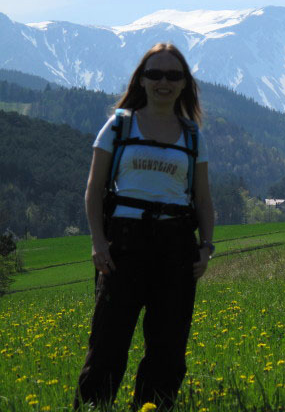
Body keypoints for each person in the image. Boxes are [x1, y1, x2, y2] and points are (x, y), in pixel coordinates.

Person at [74, 43, 215, 410]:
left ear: (185, 83)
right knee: (108, 342)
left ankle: (154, 407)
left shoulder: (192, 135)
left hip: (176, 244)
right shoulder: (120, 124)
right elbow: (93, 188)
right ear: (142, 80)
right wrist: (98, 243)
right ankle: (93, 406)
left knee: (168, 345)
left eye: (173, 75)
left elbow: (203, 199)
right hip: (123, 243)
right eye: (155, 74)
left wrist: (206, 246)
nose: (163, 82)